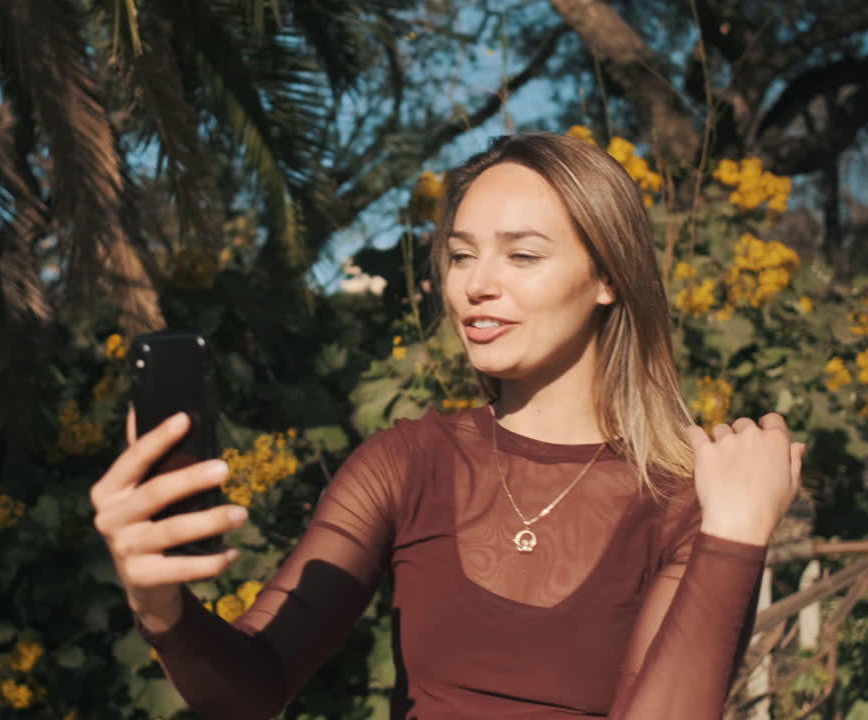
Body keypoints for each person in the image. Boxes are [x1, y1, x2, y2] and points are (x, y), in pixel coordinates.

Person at [90, 132, 804, 719]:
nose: (474, 284)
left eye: (522, 255)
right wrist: (160, 607)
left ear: (607, 278)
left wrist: (735, 538)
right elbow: (254, 684)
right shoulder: (407, 463)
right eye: (461, 254)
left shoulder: (684, 501)